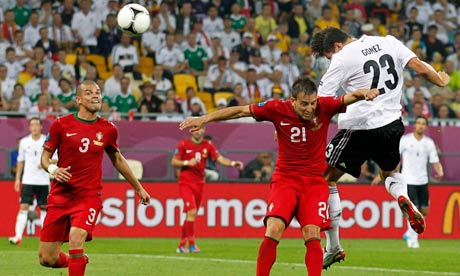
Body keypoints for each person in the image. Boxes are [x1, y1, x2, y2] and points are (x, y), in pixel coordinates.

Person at [179, 76, 379, 276]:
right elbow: (240, 110)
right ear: (292, 101)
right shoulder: (276, 108)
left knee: (312, 234)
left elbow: (351, 96)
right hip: (285, 180)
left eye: (312, 103)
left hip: (314, 182)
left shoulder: (324, 106)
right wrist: (205, 118)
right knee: (274, 229)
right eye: (304, 104)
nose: (309, 108)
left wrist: (365, 93)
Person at [311, 26, 450, 269]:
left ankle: (333, 247)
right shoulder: (388, 41)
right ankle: (403, 196)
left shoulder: (343, 56)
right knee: (391, 174)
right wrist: (439, 79)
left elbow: (322, 100)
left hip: (359, 127)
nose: (330, 61)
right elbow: (418, 66)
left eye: (328, 57)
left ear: (336, 46)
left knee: (324, 179)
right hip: (393, 124)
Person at [38, 80, 151, 275]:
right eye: (89, 93)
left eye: (98, 92)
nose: (96, 95)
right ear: (78, 99)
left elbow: (118, 159)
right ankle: (79, 261)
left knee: (76, 238)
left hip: (87, 196)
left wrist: (139, 188)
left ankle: (77, 260)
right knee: (47, 259)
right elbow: (44, 159)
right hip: (60, 196)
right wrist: (53, 170)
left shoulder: (108, 129)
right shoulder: (61, 124)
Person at [171, 127, 243, 254]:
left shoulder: (208, 145)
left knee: (190, 214)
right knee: (192, 212)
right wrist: (187, 162)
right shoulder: (183, 144)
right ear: (191, 131)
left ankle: (182, 245)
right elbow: (174, 161)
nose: (197, 131)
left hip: (200, 183)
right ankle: (192, 245)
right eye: (194, 129)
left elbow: (219, 158)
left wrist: (232, 164)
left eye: (199, 129)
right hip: (186, 182)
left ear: (203, 130)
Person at [385, 116, 443, 248]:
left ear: (426, 126)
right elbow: (395, 157)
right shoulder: (405, 140)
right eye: (418, 123)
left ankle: (408, 233)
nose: (420, 126)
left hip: (423, 180)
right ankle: (413, 239)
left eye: (423, 124)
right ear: (414, 125)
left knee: (424, 210)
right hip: (408, 180)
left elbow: (435, 160)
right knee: (413, 209)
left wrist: (439, 171)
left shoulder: (429, 143)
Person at [9, 118, 54, 245]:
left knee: (45, 209)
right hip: (28, 180)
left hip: (43, 181)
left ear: (41, 127)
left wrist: (46, 163)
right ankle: (18, 237)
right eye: (32, 125)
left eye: (37, 125)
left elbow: (56, 158)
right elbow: (20, 161)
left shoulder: (47, 141)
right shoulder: (24, 142)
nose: (34, 127)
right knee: (23, 207)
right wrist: (18, 179)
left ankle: (46, 238)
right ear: (29, 128)